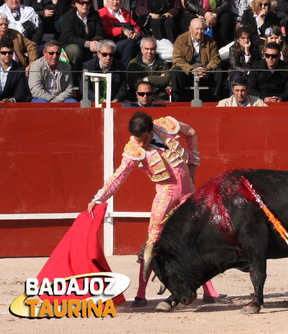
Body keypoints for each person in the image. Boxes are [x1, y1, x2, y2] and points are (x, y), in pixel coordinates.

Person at [87, 111, 231, 309]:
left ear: (151, 129)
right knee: (152, 241)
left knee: (198, 240)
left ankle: (209, 291)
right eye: (139, 140)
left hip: (188, 192)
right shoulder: (134, 149)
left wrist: (192, 163)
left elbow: (191, 133)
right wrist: (99, 197)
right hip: (166, 194)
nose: (142, 144)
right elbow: (119, 176)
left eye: (145, 139)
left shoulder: (166, 126)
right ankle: (140, 294)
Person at [171, 17, 223, 102]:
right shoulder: (181, 40)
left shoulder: (211, 41)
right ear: (190, 29)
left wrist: (207, 69)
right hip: (187, 73)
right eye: (197, 29)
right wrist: (192, 70)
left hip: (205, 73)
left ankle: (215, 100)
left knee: (219, 72)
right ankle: (178, 101)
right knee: (176, 71)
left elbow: (216, 59)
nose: (200, 32)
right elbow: (178, 59)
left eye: (202, 29)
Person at [59, 0, 105, 80]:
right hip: (70, 45)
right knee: (75, 51)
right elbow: (68, 36)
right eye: (81, 3)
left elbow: (100, 32)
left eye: (87, 3)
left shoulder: (95, 15)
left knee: (100, 52)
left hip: (90, 46)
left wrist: (95, 42)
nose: (85, 5)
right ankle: (72, 79)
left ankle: (93, 82)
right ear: (76, 4)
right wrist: (88, 44)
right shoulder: (68, 16)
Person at [127, 36, 171, 102]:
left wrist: (147, 79)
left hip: (160, 99)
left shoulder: (163, 63)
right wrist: (158, 79)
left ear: (156, 49)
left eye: (152, 49)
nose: (149, 52)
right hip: (140, 100)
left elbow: (165, 81)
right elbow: (136, 85)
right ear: (141, 49)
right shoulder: (133, 64)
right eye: (146, 49)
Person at [99, 0, 142, 67]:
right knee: (129, 44)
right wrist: (122, 30)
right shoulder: (102, 13)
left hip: (130, 39)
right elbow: (105, 30)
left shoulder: (125, 12)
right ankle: (125, 72)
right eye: (112, 0)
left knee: (145, 43)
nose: (115, 2)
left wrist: (137, 32)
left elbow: (135, 26)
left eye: (118, 0)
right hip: (113, 42)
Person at [0, 36, 27, 102]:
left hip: (9, 106)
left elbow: (21, 92)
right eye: (4, 53)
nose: (7, 55)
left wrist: (11, 100)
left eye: (10, 53)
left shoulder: (19, 69)